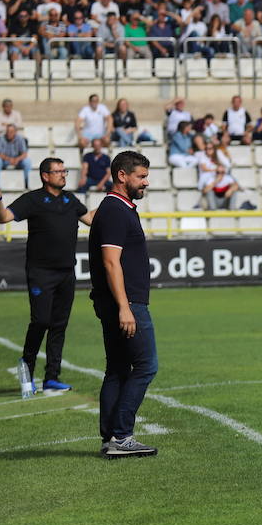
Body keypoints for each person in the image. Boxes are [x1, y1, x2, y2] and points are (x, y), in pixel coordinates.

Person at [0, 157, 93, 394]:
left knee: (59, 325)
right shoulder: (33, 199)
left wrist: (117, 200)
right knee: (41, 321)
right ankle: (26, 368)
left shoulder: (70, 199)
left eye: (64, 170)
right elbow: (4, 218)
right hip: (41, 273)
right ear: (45, 176)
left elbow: (91, 219)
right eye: (58, 171)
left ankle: (51, 378)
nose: (63, 174)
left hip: (66, 273)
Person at [89, 150, 159, 457]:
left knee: (117, 368)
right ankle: (121, 435)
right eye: (141, 176)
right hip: (126, 302)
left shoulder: (120, 208)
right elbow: (110, 262)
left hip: (118, 302)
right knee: (145, 366)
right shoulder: (116, 210)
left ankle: (110, 438)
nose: (146, 182)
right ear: (122, 176)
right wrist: (124, 307)